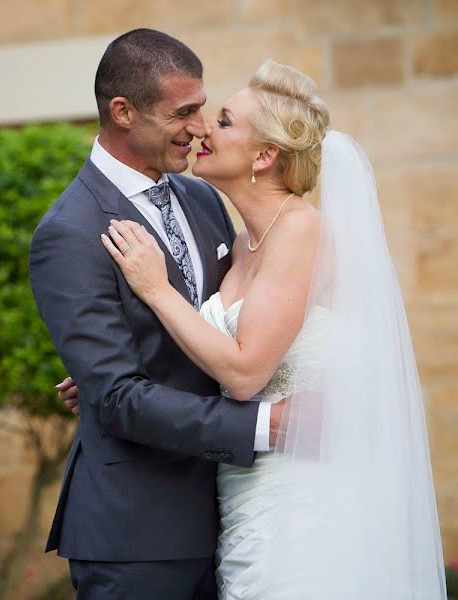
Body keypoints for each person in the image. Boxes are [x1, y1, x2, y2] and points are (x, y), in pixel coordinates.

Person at [58, 59, 447, 597]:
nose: (201, 130)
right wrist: (115, 379)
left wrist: (154, 288)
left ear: (265, 155)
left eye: (220, 120)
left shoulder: (302, 231)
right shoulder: (238, 239)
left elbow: (242, 372)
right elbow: (205, 345)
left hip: (298, 494)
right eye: (197, 114)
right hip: (233, 497)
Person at [29, 29, 285, 599]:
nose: (199, 128)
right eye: (183, 112)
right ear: (123, 111)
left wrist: (110, 374)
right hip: (137, 536)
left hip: (236, 515)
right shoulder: (69, 233)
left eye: (202, 109)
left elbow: (218, 326)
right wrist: (267, 427)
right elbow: (120, 398)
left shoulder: (201, 198)